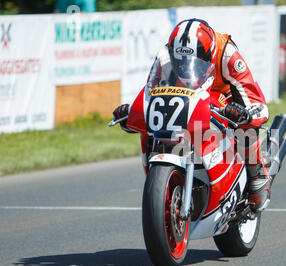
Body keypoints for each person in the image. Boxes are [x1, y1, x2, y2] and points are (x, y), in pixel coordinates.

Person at [113, 18, 270, 213]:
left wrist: (243, 113)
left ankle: (258, 176)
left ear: (210, 53)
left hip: (224, 96)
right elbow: (152, 92)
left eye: (196, 62)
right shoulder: (165, 56)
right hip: (188, 94)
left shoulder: (227, 53)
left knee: (245, 129)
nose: (185, 67)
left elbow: (255, 101)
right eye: (180, 62)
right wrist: (134, 113)